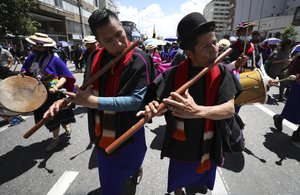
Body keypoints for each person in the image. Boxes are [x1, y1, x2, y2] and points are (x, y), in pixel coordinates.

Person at [44, 9, 156, 195]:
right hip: (101, 129)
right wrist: (65, 101)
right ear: (99, 41)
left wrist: (93, 102)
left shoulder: (140, 59)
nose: (118, 43)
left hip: (129, 129)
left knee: (129, 168)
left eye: (119, 34)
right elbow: (85, 91)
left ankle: (132, 173)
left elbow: (136, 101)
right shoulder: (94, 57)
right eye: (108, 41)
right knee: (110, 181)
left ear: (121, 26)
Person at [138, 12, 238, 195]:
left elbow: (230, 109)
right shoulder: (173, 74)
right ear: (189, 52)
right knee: (179, 181)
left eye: (214, 42)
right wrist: (154, 109)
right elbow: (160, 105)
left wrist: (197, 111)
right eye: (207, 46)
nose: (215, 49)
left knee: (202, 181)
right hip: (181, 145)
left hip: (209, 142)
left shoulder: (222, 72)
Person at [21, 32, 76, 152]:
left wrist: (56, 86)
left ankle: (57, 136)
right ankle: (56, 135)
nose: (37, 48)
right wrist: (24, 73)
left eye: (40, 46)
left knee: (57, 115)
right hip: (38, 93)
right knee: (46, 117)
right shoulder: (31, 58)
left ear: (47, 47)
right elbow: (25, 69)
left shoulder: (55, 60)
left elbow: (65, 76)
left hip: (53, 93)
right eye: (35, 46)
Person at [273, 44, 300, 142]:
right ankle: (279, 118)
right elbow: (295, 72)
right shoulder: (299, 58)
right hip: (298, 86)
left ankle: (298, 133)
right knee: (292, 107)